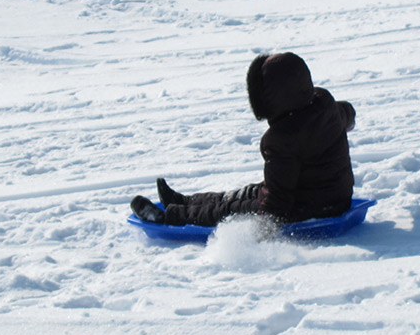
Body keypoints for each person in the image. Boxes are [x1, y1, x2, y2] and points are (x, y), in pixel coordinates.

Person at [131, 52, 356, 227]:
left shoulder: (280, 141)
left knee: (235, 208)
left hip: (309, 209)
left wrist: (257, 222)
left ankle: (169, 216)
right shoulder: (325, 103)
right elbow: (348, 112)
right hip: (335, 197)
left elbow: (276, 205)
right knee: (249, 192)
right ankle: (185, 201)